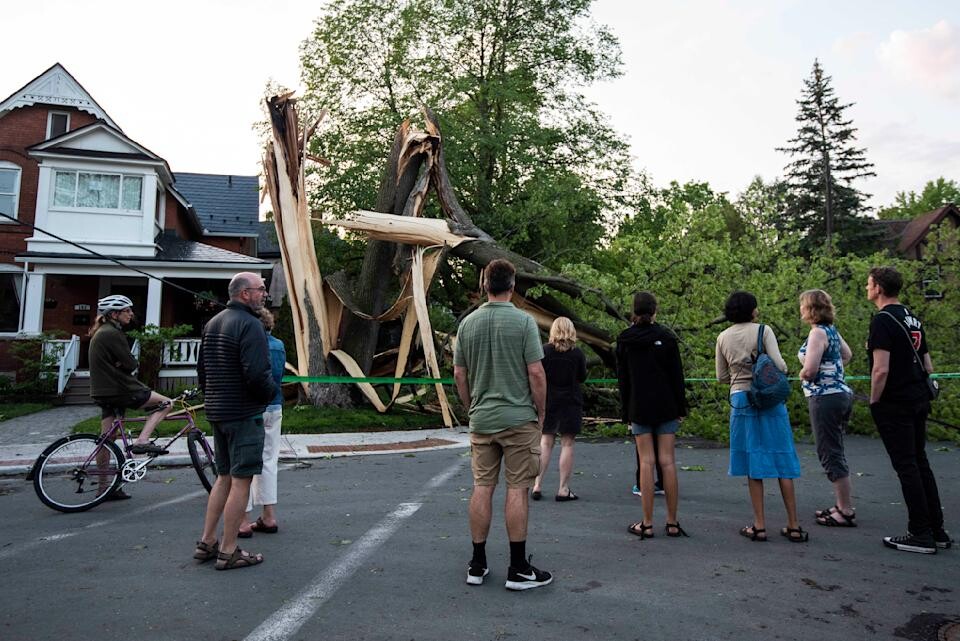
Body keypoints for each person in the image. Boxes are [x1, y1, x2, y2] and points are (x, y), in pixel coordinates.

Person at [453, 258, 552, 591]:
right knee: (517, 487)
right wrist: (541, 411)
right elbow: (536, 372)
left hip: (482, 419)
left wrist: (471, 407)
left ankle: (477, 563)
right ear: (512, 285)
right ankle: (518, 568)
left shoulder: (468, 325)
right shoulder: (524, 322)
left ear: (484, 285)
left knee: (482, 486)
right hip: (518, 418)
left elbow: (459, 374)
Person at [193, 272, 278, 570]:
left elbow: (202, 371)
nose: (265, 293)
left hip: (218, 411)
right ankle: (228, 550)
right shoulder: (251, 325)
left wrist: (213, 396)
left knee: (224, 476)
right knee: (242, 481)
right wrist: (270, 393)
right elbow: (257, 373)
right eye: (261, 289)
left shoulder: (213, 323)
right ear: (245, 293)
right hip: (244, 413)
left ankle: (207, 541)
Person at [866, 266, 952, 553]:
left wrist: (874, 400)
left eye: (869, 284)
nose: (867, 288)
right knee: (919, 461)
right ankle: (936, 529)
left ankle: (920, 532)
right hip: (918, 396)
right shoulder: (912, 318)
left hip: (895, 400)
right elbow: (928, 364)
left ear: (878, 288)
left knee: (906, 466)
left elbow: (881, 369)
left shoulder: (882, 320)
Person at [716, 291, 807, 543]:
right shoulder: (763, 331)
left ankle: (759, 525)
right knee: (782, 457)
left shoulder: (723, 337)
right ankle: (794, 525)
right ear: (752, 310)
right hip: (768, 398)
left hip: (740, 399)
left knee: (752, 460)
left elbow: (721, 376)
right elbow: (780, 365)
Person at [88, 294, 173, 500]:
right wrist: (124, 363)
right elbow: (131, 364)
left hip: (103, 391)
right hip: (120, 389)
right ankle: (142, 441)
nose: (131, 314)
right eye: (127, 311)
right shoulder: (112, 333)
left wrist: (121, 363)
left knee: (106, 439)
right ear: (114, 314)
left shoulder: (101, 331)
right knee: (166, 403)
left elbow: (123, 362)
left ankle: (104, 487)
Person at [618, 292, 688, 539]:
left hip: (639, 406)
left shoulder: (625, 339)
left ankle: (647, 523)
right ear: (655, 311)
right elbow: (676, 376)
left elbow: (623, 379)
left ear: (634, 311)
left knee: (646, 462)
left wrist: (625, 412)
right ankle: (672, 521)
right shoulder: (666, 338)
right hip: (666, 404)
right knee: (667, 461)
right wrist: (681, 407)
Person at [796, 289, 856, 527]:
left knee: (829, 452)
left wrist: (802, 374)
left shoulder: (817, 333)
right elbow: (847, 355)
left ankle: (845, 510)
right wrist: (832, 369)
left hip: (824, 397)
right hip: (840, 393)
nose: (801, 310)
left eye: (803, 306)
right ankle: (841, 505)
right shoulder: (831, 330)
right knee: (835, 448)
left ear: (810, 309)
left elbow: (810, 370)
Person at [238, 308, 286, 538]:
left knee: (244, 462)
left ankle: (243, 519)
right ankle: (269, 515)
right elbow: (279, 376)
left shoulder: (247, 345)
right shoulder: (278, 345)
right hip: (274, 405)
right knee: (269, 461)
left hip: (250, 407)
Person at [531, 317, 586, 502]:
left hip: (549, 401)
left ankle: (537, 485)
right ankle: (563, 488)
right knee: (567, 444)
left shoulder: (544, 351)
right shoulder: (577, 353)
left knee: (545, 443)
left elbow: (537, 375)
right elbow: (582, 377)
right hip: (571, 401)